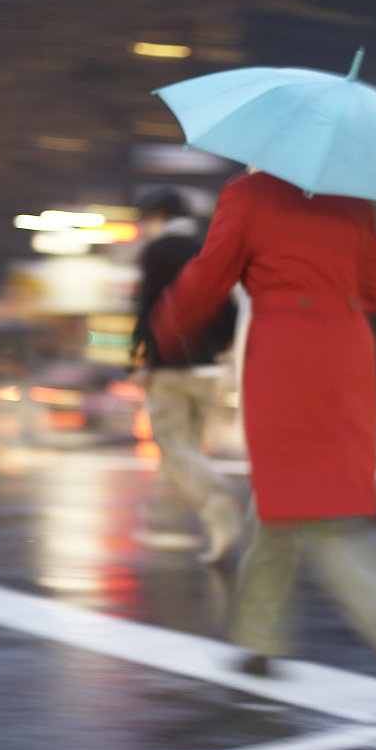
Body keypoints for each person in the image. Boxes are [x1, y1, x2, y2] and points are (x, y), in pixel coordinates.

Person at [154, 170, 376, 724]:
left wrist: (170, 321)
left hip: (287, 351)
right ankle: (259, 638)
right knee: (284, 494)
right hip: (345, 350)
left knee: (319, 510)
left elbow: (211, 275)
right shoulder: (357, 197)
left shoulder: (249, 194)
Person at [131, 184, 242, 562]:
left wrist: (138, 357)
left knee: (172, 446)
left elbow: (147, 307)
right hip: (207, 368)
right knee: (189, 446)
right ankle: (183, 523)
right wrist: (219, 347)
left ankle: (215, 501)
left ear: (158, 216)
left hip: (170, 365)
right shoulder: (205, 248)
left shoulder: (158, 252)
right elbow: (229, 307)